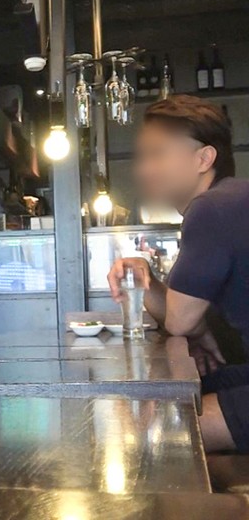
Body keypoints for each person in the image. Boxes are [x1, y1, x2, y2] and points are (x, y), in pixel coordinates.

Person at [106, 95, 249, 453]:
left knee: (155, 431)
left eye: (159, 154)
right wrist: (147, 278)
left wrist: (197, 329)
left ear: (204, 159)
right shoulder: (229, 200)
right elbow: (178, 316)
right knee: (178, 403)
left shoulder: (211, 209)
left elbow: (181, 321)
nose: (144, 168)